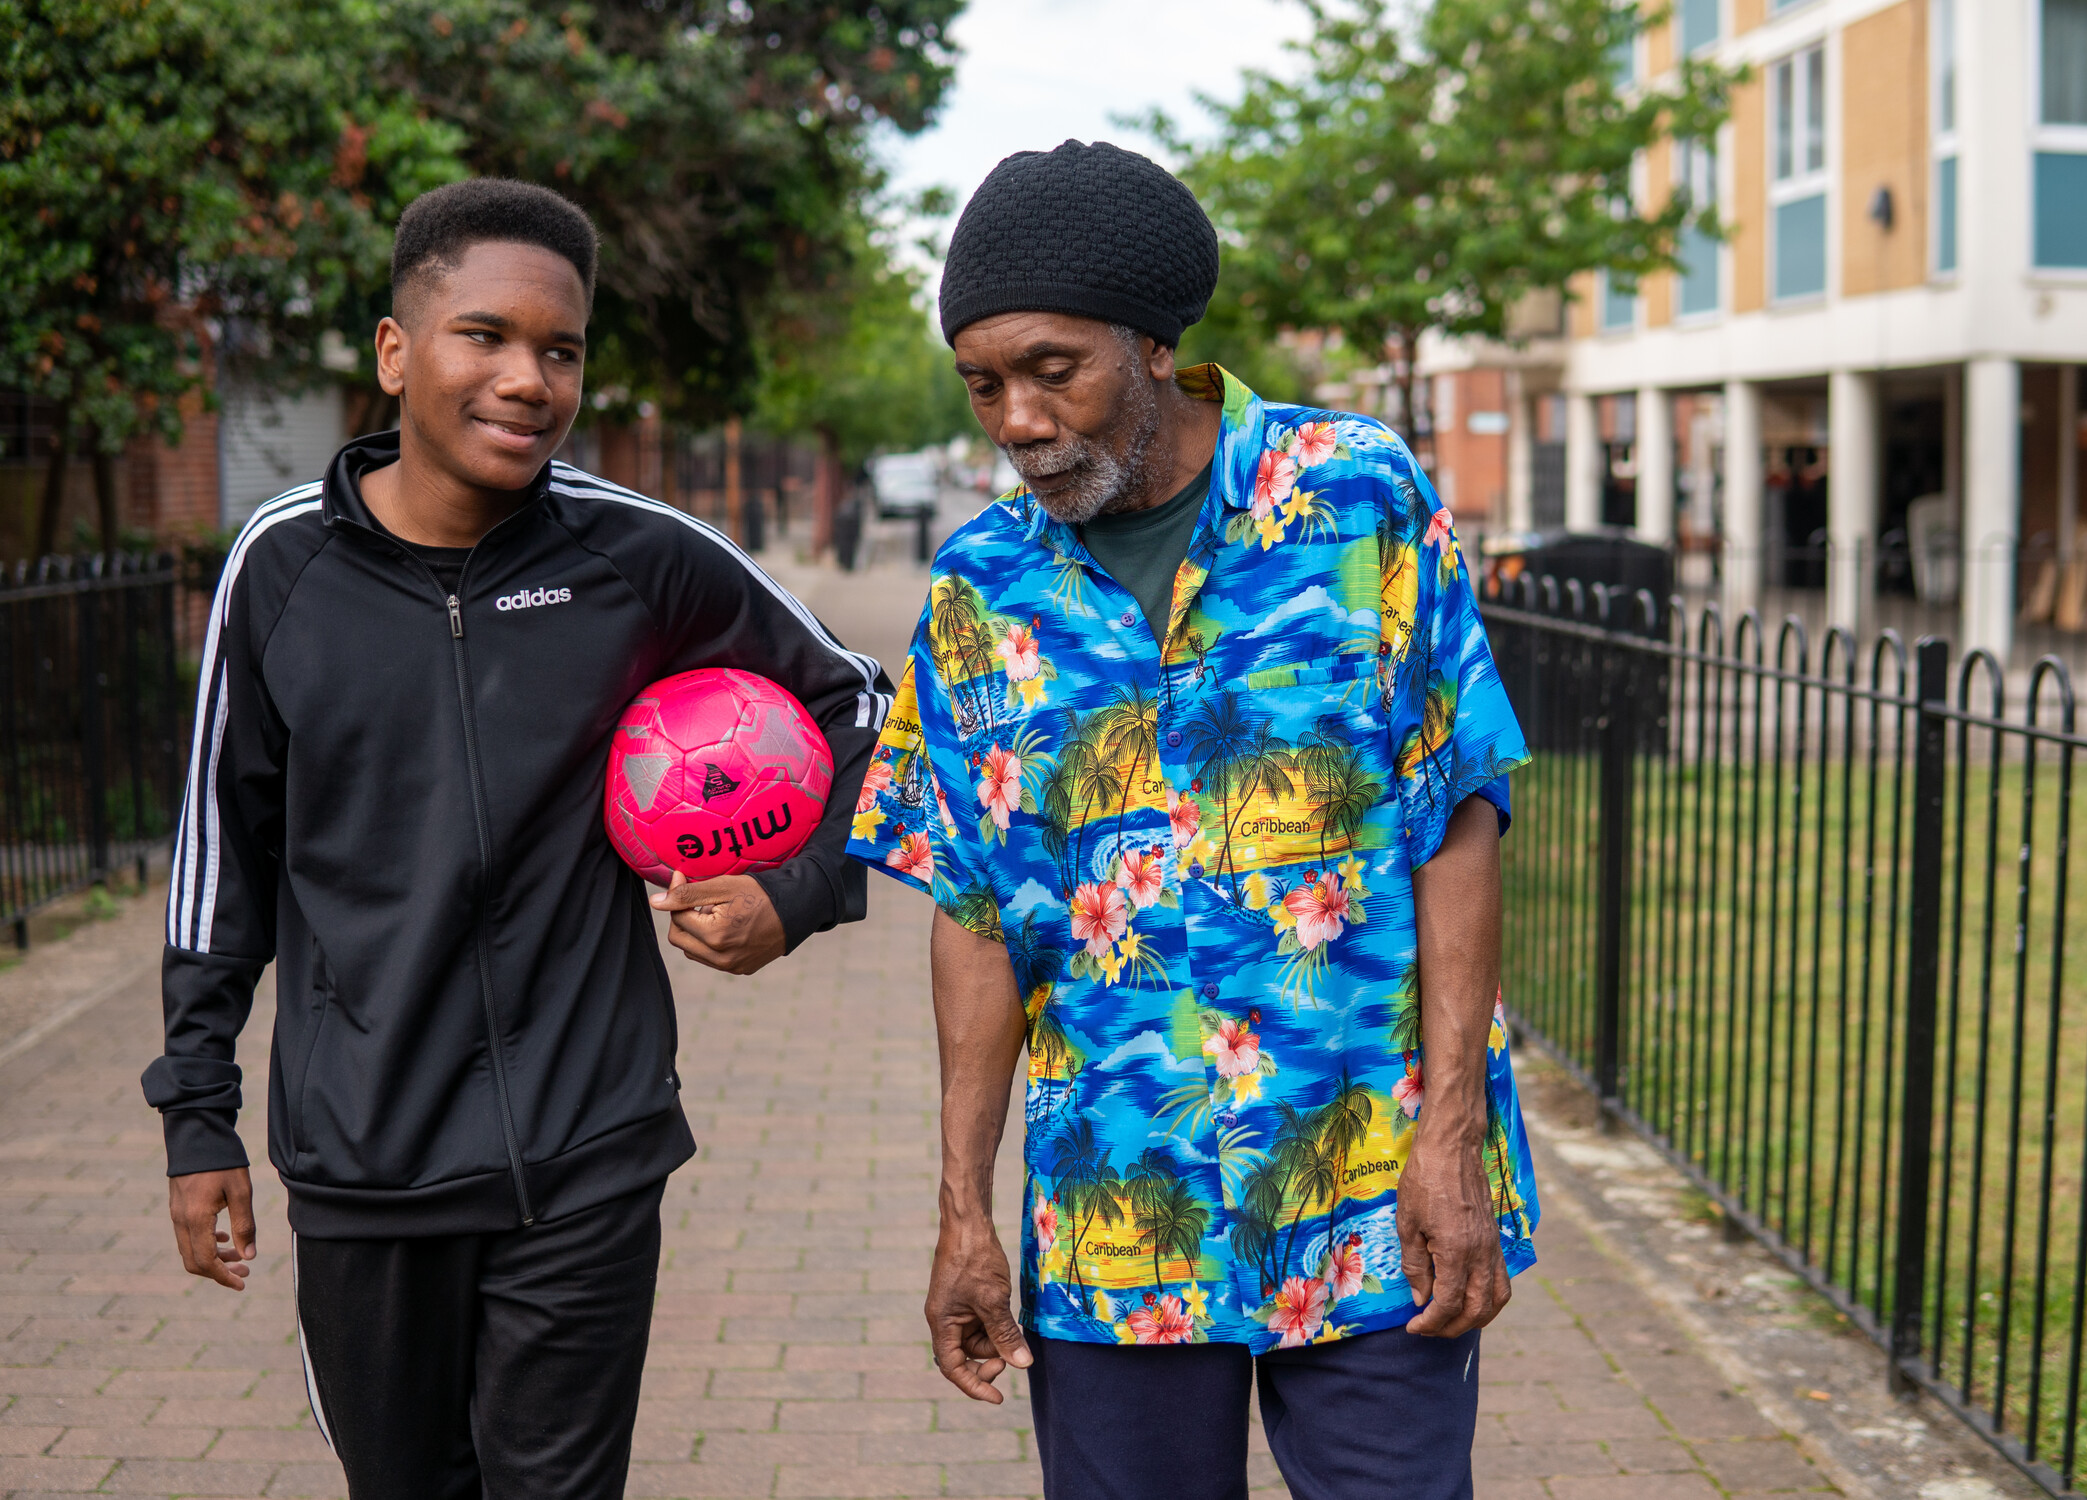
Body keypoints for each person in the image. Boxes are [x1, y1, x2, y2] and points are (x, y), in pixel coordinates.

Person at [142, 178, 889, 1500]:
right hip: (368, 1162)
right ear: (394, 353)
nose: (528, 378)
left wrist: (800, 888)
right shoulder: (280, 568)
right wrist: (197, 1117)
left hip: (588, 1147)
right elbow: (221, 859)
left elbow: (867, 705)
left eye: (561, 350)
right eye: (484, 335)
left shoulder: (636, 554)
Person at [848, 141, 1537, 1500]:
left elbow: (1455, 817)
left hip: (1364, 1176)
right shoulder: (978, 591)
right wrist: (961, 1216)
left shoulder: (1353, 496)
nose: (1018, 420)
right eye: (983, 383)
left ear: (1156, 347)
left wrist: (1450, 1139)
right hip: (1119, 1207)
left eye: (1054, 369)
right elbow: (972, 914)